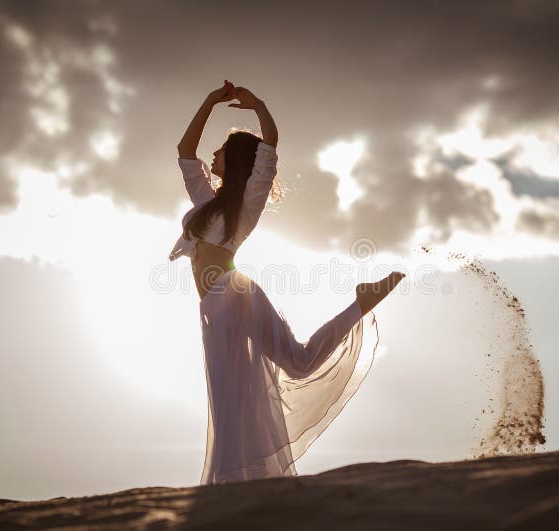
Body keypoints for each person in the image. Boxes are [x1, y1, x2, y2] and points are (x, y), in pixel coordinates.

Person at [170, 80, 405, 484]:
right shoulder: (207, 201)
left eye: (222, 150)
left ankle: (228, 488)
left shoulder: (248, 201)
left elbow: (270, 147)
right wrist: (210, 101)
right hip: (220, 301)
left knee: (229, 398)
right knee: (296, 363)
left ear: (237, 161)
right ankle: (360, 305)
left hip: (229, 295)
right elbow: (184, 151)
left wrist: (257, 104)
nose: (214, 153)